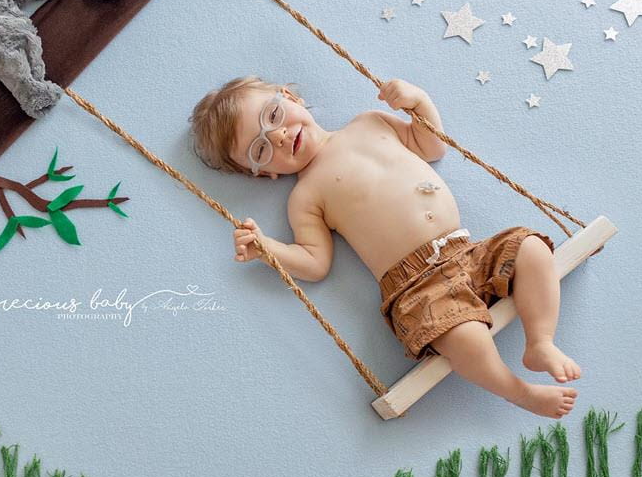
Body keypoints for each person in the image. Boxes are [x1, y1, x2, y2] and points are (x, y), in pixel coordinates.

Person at [188, 76, 580, 418]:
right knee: (463, 338)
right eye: (260, 150)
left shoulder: (369, 122)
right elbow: (315, 261)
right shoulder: (306, 196)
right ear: (265, 174)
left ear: (290, 97)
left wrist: (418, 101)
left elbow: (431, 146)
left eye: (272, 116)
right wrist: (269, 248)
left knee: (530, 248)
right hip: (416, 288)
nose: (278, 136)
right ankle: (519, 392)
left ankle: (540, 342)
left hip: (468, 249)